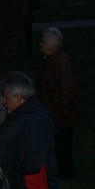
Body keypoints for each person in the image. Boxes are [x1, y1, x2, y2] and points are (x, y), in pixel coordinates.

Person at [0, 72, 63, 189]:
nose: (3, 102)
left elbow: (33, 163)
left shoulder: (34, 122)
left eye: (5, 97)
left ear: (18, 98)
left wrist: (2, 166)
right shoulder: (25, 117)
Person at [38, 27, 79, 180]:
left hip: (61, 113)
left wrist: (62, 112)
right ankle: (62, 171)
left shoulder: (61, 60)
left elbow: (68, 89)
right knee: (58, 144)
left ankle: (66, 172)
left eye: (43, 42)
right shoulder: (50, 59)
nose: (40, 44)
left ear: (53, 44)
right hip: (55, 111)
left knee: (63, 145)